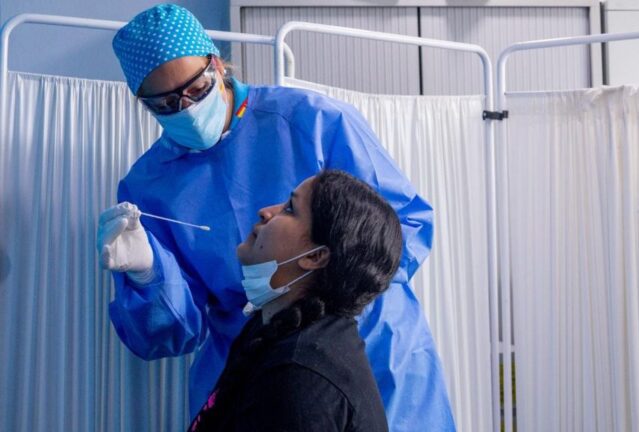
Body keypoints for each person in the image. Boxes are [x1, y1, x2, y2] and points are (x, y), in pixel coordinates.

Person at [97, 4, 455, 431]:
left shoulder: (313, 120)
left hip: (367, 334)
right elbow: (174, 329)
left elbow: (398, 228)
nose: (186, 106)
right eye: (167, 103)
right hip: (256, 357)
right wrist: (147, 276)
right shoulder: (149, 187)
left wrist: (326, 298)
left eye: (196, 89)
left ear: (217, 63)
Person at [189, 170, 398, 431]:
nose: (265, 212)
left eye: (289, 209)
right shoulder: (271, 330)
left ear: (315, 256)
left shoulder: (299, 378)